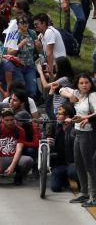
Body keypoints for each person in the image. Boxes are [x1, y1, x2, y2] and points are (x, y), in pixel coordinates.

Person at [61, 74, 96, 205]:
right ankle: (84, 193)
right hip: (77, 132)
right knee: (79, 165)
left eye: (87, 82)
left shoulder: (92, 96)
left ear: (91, 84)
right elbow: (60, 89)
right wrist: (69, 96)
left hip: (88, 134)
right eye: (81, 83)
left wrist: (87, 118)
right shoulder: (77, 94)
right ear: (77, 84)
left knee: (89, 166)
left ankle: (94, 197)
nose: (84, 85)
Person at [0, 108, 35, 185]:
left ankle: (19, 177)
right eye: (7, 120)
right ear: (2, 120)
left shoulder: (20, 130)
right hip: (0, 157)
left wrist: (12, 165)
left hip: (14, 157)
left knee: (29, 160)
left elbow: (19, 149)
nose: (10, 122)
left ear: (14, 119)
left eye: (11, 120)